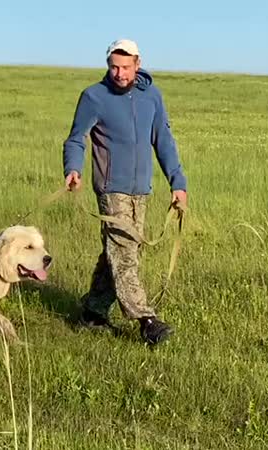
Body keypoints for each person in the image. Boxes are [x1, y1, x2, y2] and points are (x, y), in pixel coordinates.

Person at [62, 38, 188, 346]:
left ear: (138, 64)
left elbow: (164, 141)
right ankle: (147, 321)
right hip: (111, 188)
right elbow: (76, 138)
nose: (119, 73)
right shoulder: (94, 96)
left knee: (119, 252)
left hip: (141, 189)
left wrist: (178, 183)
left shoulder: (152, 97)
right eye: (114, 67)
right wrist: (73, 168)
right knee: (125, 251)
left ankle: (92, 312)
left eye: (125, 67)